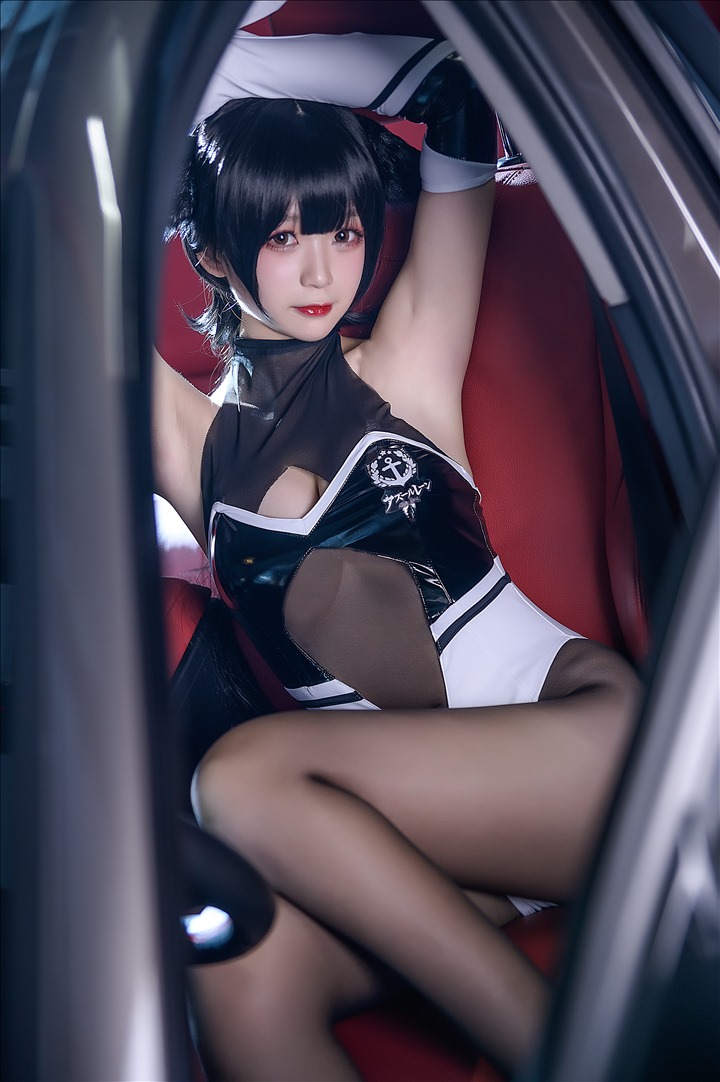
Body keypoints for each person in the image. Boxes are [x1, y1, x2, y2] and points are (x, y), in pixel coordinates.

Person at [153, 25, 640, 1082]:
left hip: (584, 752)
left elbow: (462, 92)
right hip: (425, 841)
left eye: (341, 230)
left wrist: (232, 70)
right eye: (283, 236)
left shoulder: (407, 359)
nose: (322, 269)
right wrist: (187, 115)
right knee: (240, 966)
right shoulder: (192, 446)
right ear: (211, 250)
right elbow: (53, 252)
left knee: (237, 781)